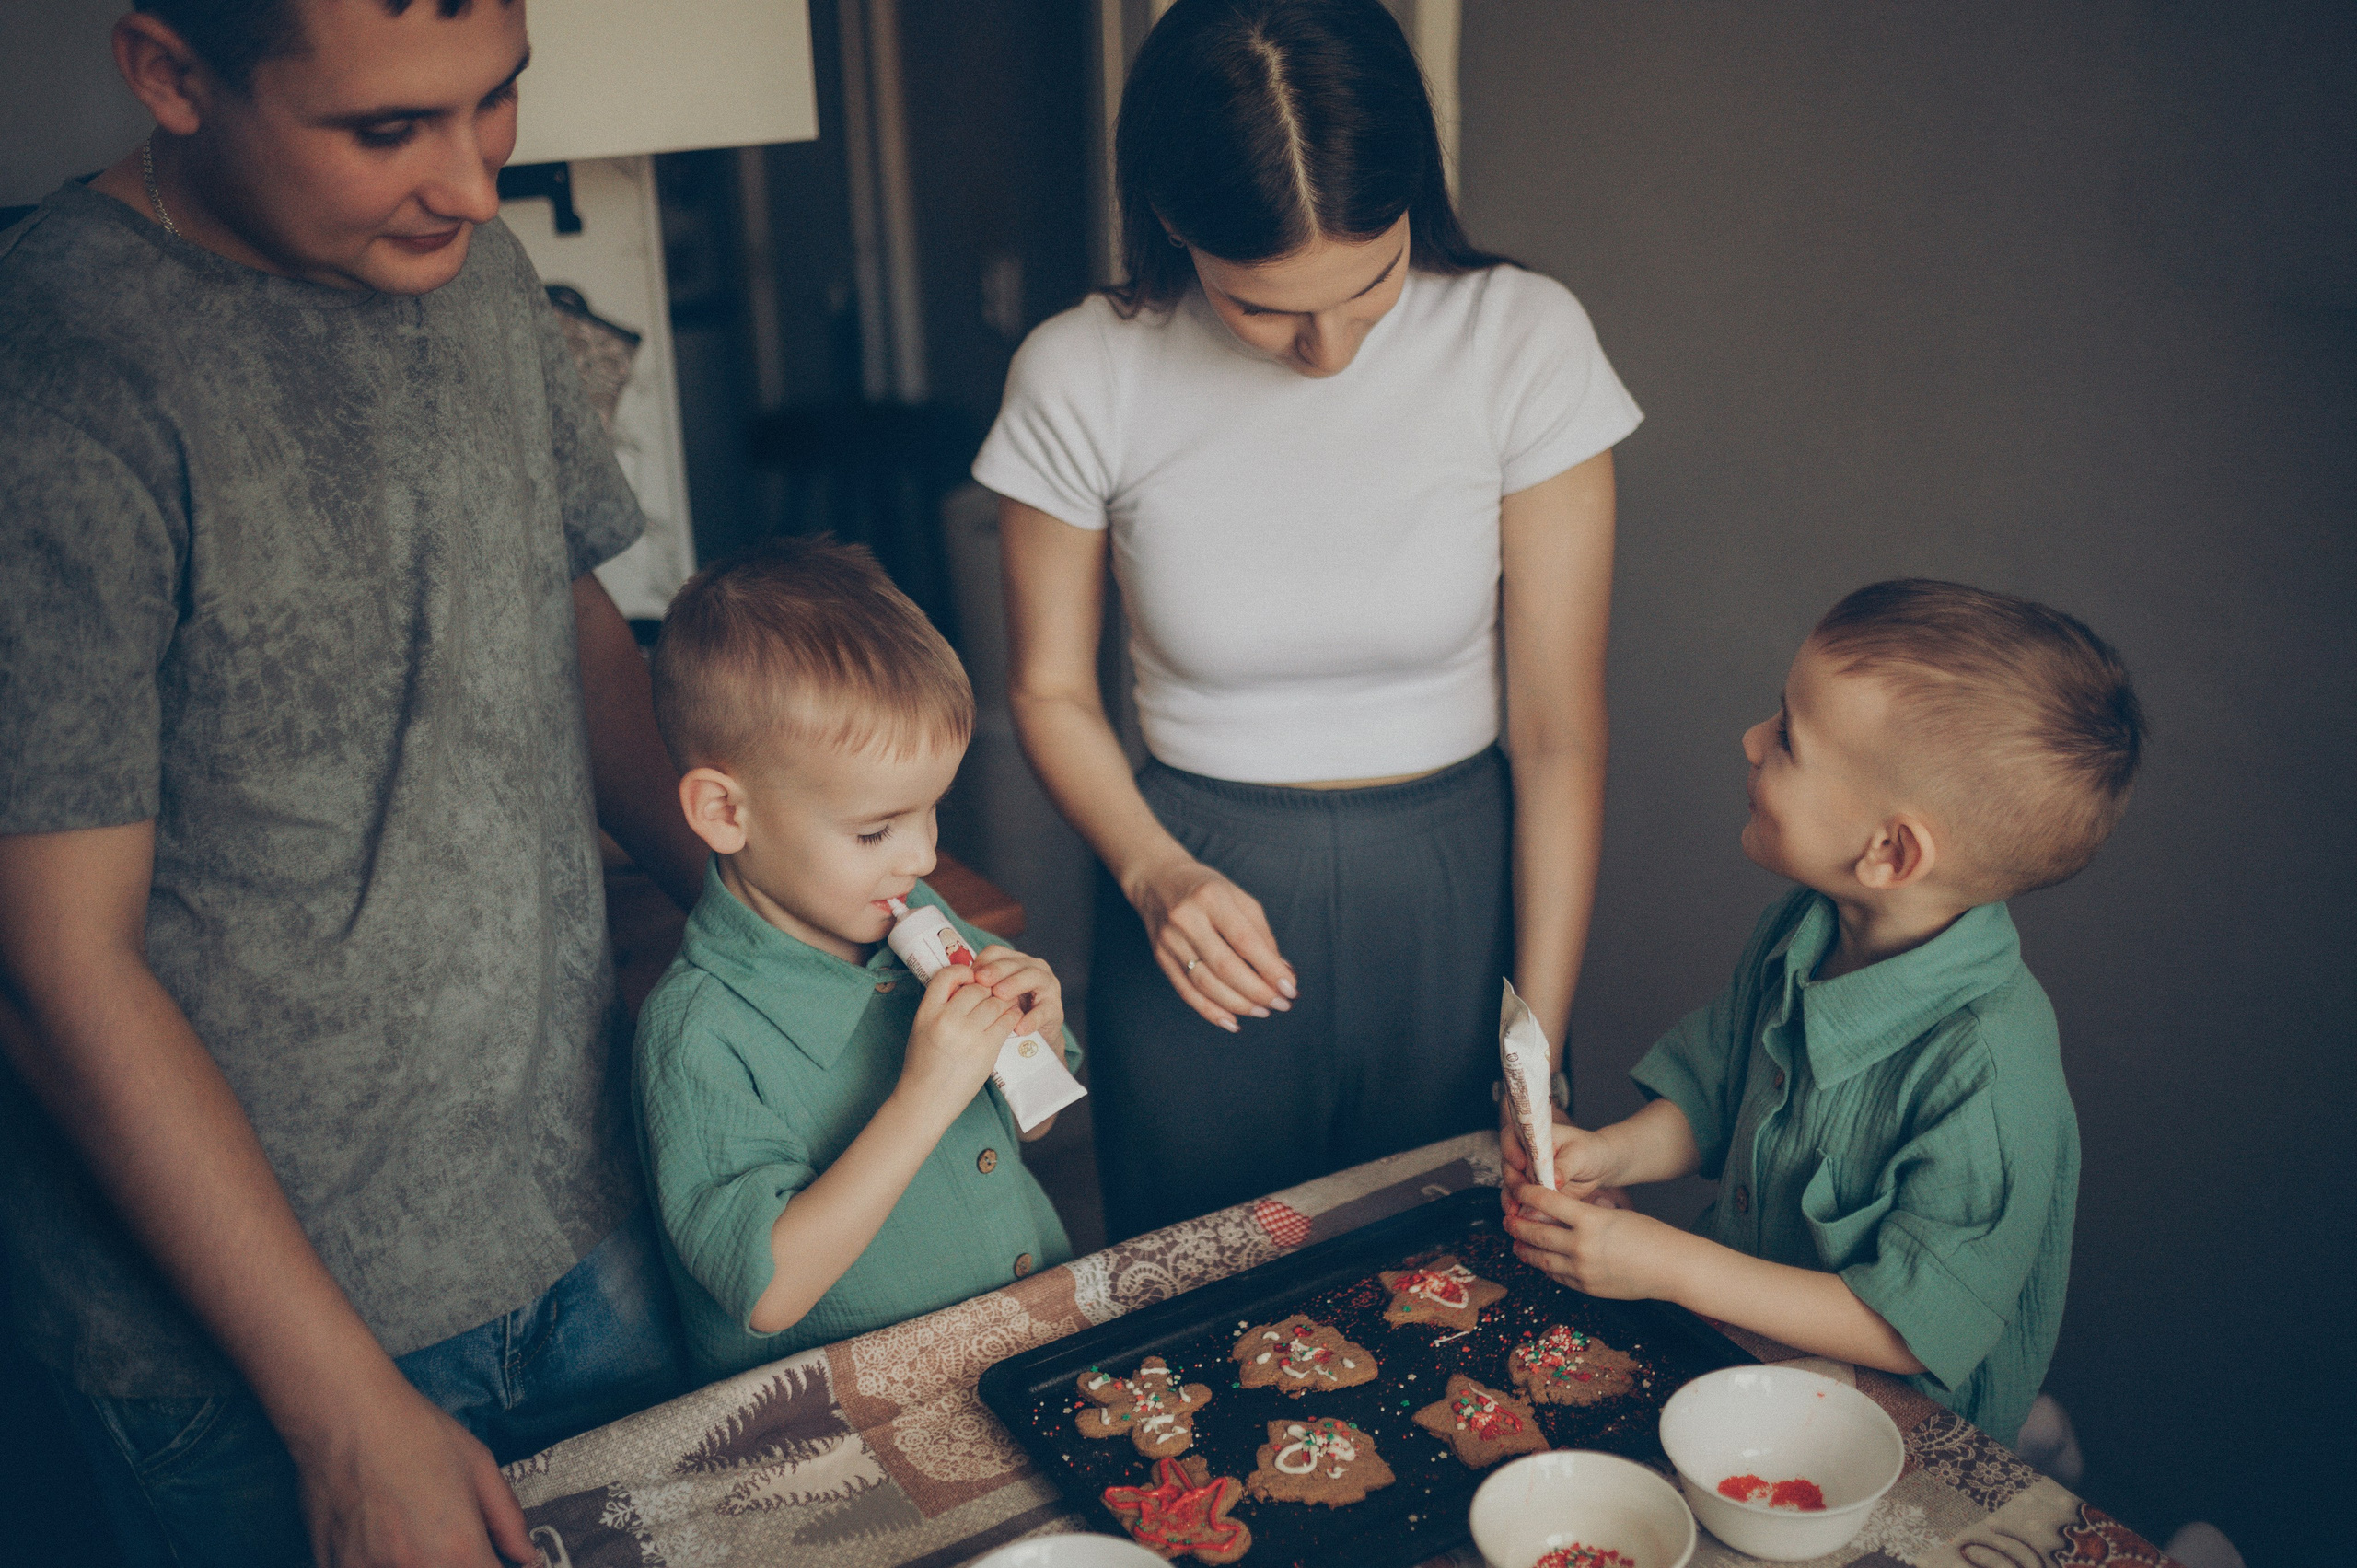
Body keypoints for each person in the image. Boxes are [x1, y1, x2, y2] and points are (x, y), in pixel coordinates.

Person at [0, 3, 708, 1564]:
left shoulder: (477, 270)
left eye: (496, 99)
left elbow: (567, 614)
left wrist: (777, 912)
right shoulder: (56, 376)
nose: (473, 182)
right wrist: (338, 1409)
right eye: (388, 130)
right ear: (170, 75)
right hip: (261, 1346)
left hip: (581, 1210)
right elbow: (52, 968)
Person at [976, 0, 1641, 1239]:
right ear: (1175, 222)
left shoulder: (1524, 339)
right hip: (1195, 890)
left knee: (1458, 1273)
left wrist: (1536, 1042)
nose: (1326, 349)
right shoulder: (1083, 369)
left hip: (1456, 888)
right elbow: (1049, 690)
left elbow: (1561, 732)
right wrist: (1154, 870)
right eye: (1264, 307)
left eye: (1370, 283)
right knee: (1200, 1293)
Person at [1503, 580, 2144, 1446]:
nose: (1751, 738)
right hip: (1748, 1353)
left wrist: (1670, 1263)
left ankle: (2030, 1437)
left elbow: (1903, 1326)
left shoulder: (1990, 1073)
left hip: (1891, 1429)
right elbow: (1715, 1091)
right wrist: (1607, 1151)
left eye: (1787, 738)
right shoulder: (1800, 930)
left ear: (1890, 851)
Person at [636, 539, 1082, 1379]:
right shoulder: (698, 1030)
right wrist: (927, 1092)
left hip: (1023, 1342)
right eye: (876, 830)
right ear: (725, 812)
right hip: (860, 1407)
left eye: (930, 810)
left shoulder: (922, 913)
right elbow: (767, 1291)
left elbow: (1038, 1121)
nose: (921, 855)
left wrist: (1037, 1039)